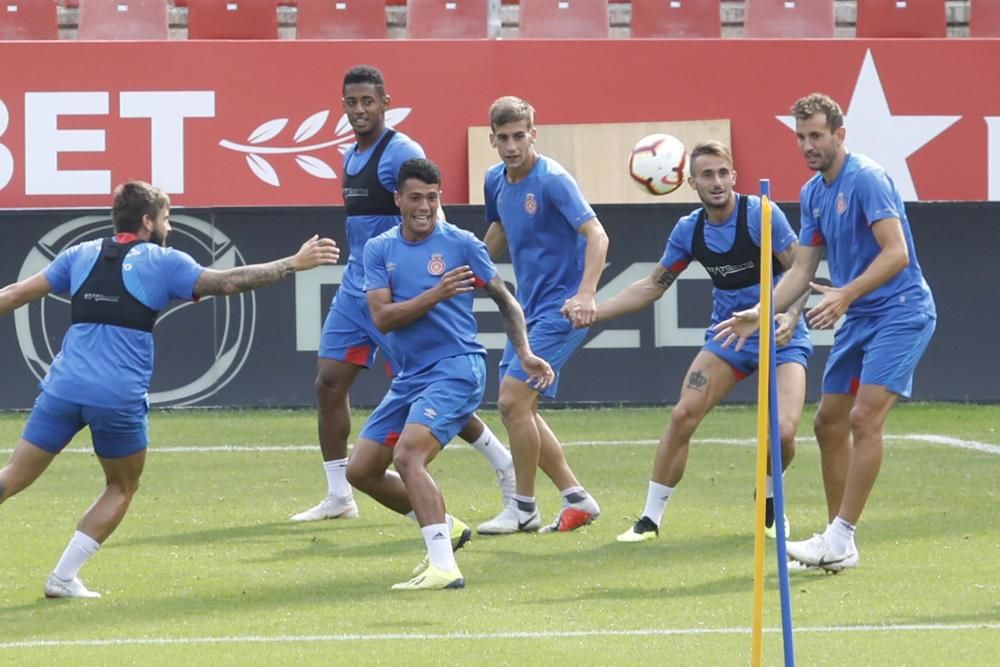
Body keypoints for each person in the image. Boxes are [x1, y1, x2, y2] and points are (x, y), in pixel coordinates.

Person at [0, 180, 340, 598]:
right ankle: (63, 577)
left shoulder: (79, 254)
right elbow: (229, 281)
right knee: (121, 486)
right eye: (165, 218)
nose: (169, 226)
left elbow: (14, 295)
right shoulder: (162, 261)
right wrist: (295, 262)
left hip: (63, 388)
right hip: (117, 397)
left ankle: (64, 579)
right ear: (147, 221)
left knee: (13, 476)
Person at [714, 94, 936, 572]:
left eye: (816, 135)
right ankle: (839, 545)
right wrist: (761, 308)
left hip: (901, 311)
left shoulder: (867, 178)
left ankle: (840, 537)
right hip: (859, 316)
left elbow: (896, 253)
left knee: (863, 420)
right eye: (800, 136)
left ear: (840, 134)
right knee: (828, 423)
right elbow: (800, 270)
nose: (807, 145)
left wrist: (845, 293)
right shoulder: (814, 192)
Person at [293, 65, 516, 523]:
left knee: (426, 382)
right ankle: (339, 495)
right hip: (357, 288)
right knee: (328, 383)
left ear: (385, 103)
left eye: (367, 102)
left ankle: (502, 461)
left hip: (396, 293)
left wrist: (445, 270)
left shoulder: (401, 152)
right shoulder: (350, 155)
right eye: (351, 102)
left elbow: (431, 213)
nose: (359, 110)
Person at [571, 140, 812, 544]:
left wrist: (788, 314)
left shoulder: (761, 215)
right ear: (691, 182)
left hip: (779, 333)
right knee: (683, 415)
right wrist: (596, 310)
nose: (716, 182)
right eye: (707, 175)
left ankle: (769, 504)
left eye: (723, 173)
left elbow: (800, 270)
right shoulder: (690, 230)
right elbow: (653, 286)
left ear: (734, 176)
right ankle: (649, 519)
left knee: (784, 432)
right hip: (728, 335)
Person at [346, 159, 553, 590]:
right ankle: (445, 524)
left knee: (408, 457)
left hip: (458, 368)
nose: (424, 207)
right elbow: (382, 318)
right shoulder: (379, 249)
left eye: (433, 197)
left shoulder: (461, 244)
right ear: (398, 199)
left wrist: (526, 353)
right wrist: (436, 293)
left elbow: (506, 299)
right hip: (410, 377)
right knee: (361, 471)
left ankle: (443, 566)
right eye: (416, 198)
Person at [476, 96, 606, 535]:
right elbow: (497, 230)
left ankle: (523, 508)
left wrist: (586, 293)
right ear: (492, 139)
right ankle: (577, 498)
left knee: (513, 402)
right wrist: (467, 270)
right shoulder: (495, 180)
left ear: (534, 133)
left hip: (562, 309)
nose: (512, 146)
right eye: (503, 138)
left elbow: (596, 234)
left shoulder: (553, 180)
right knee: (522, 408)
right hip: (525, 310)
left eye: (519, 136)